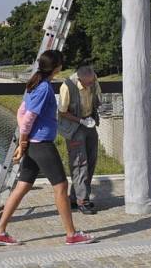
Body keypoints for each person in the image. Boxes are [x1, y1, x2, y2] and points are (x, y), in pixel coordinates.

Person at [0, 50, 94, 247]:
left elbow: (21, 112)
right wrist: (22, 143)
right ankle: (72, 235)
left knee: (22, 186)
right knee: (61, 187)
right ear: (57, 67)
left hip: (34, 145)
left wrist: (25, 143)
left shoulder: (34, 83)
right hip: (41, 145)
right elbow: (27, 118)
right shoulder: (44, 87)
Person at [58, 66, 101, 214]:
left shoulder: (93, 81)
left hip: (89, 123)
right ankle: (83, 200)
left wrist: (92, 116)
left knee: (91, 159)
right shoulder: (67, 86)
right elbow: (62, 112)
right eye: (87, 83)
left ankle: (76, 197)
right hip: (74, 126)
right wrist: (80, 121)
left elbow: (97, 99)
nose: (90, 85)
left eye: (92, 82)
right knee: (79, 162)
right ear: (80, 78)